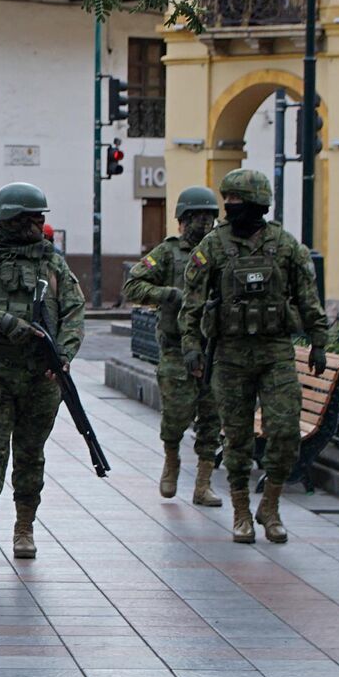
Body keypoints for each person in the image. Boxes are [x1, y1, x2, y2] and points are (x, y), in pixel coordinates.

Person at [179, 169, 328, 545]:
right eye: (226, 200)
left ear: (257, 204)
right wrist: (191, 347)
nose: (229, 207)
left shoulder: (285, 245)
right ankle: (242, 510)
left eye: (236, 201)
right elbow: (192, 302)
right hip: (230, 353)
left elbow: (308, 296)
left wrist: (319, 340)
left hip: (275, 350)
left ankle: (271, 505)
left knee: (283, 431)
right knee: (238, 437)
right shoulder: (213, 246)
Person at [0, 182, 86, 562]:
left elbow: (75, 313)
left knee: (30, 455)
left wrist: (65, 355)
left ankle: (24, 528)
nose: (39, 224)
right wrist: (7, 323)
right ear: (9, 220)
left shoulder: (53, 264)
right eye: (32, 218)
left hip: (41, 380)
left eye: (40, 218)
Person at [123, 186, 224, 505]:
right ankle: (171, 461)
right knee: (176, 414)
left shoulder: (221, 251)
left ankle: (203, 483)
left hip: (214, 349)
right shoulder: (168, 253)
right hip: (176, 349)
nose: (204, 222)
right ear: (182, 219)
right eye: (197, 216)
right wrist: (167, 295)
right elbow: (133, 286)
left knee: (212, 419)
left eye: (209, 216)